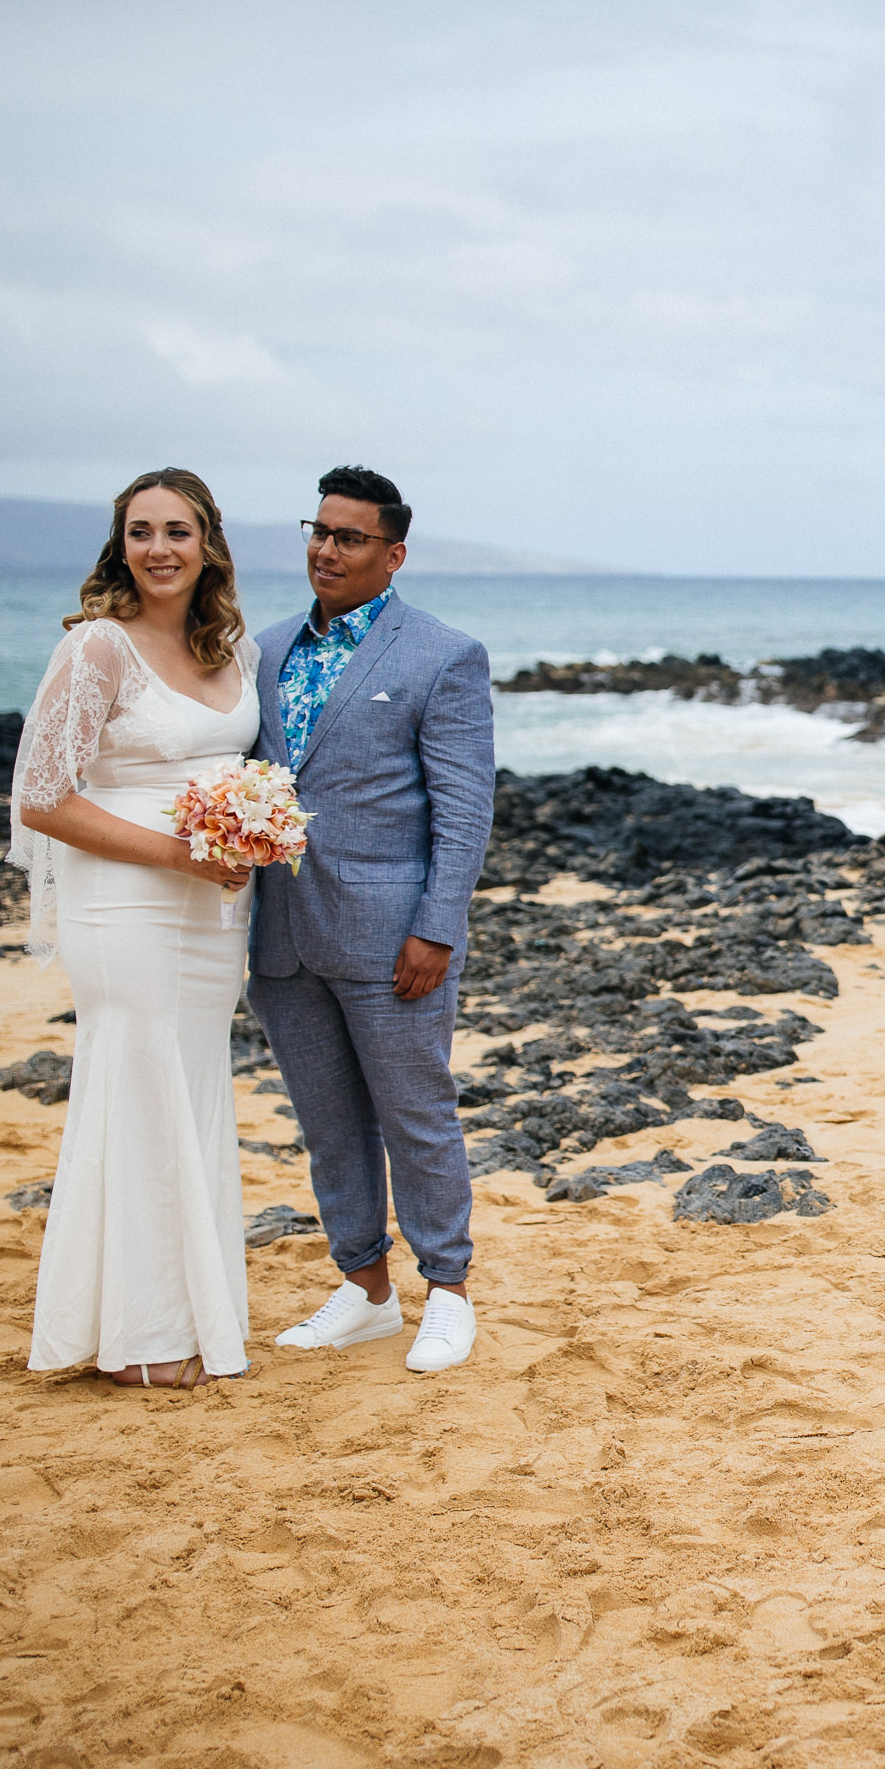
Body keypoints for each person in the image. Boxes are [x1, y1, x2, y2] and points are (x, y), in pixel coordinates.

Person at [14, 468, 261, 1389]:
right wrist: (178, 855)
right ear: (121, 544)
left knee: (188, 1092)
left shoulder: (224, 649)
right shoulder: (97, 651)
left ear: (209, 544)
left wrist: (248, 832)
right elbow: (42, 797)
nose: (159, 548)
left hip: (211, 912)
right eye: (141, 530)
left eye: (178, 531)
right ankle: (137, 1335)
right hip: (125, 905)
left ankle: (193, 1309)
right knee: (137, 1087)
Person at [250, 466, 496, 1373]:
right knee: (327, 1122)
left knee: (416, 1114)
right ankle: (365, 1289)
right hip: (282, 935)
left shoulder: (442, 654)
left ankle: (449, 1292)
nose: (326, 548)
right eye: (318, 530)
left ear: (392, 555)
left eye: (349, 537)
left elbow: (464, 809)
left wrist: (437, 928)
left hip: (396, 938)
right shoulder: (264, 649)